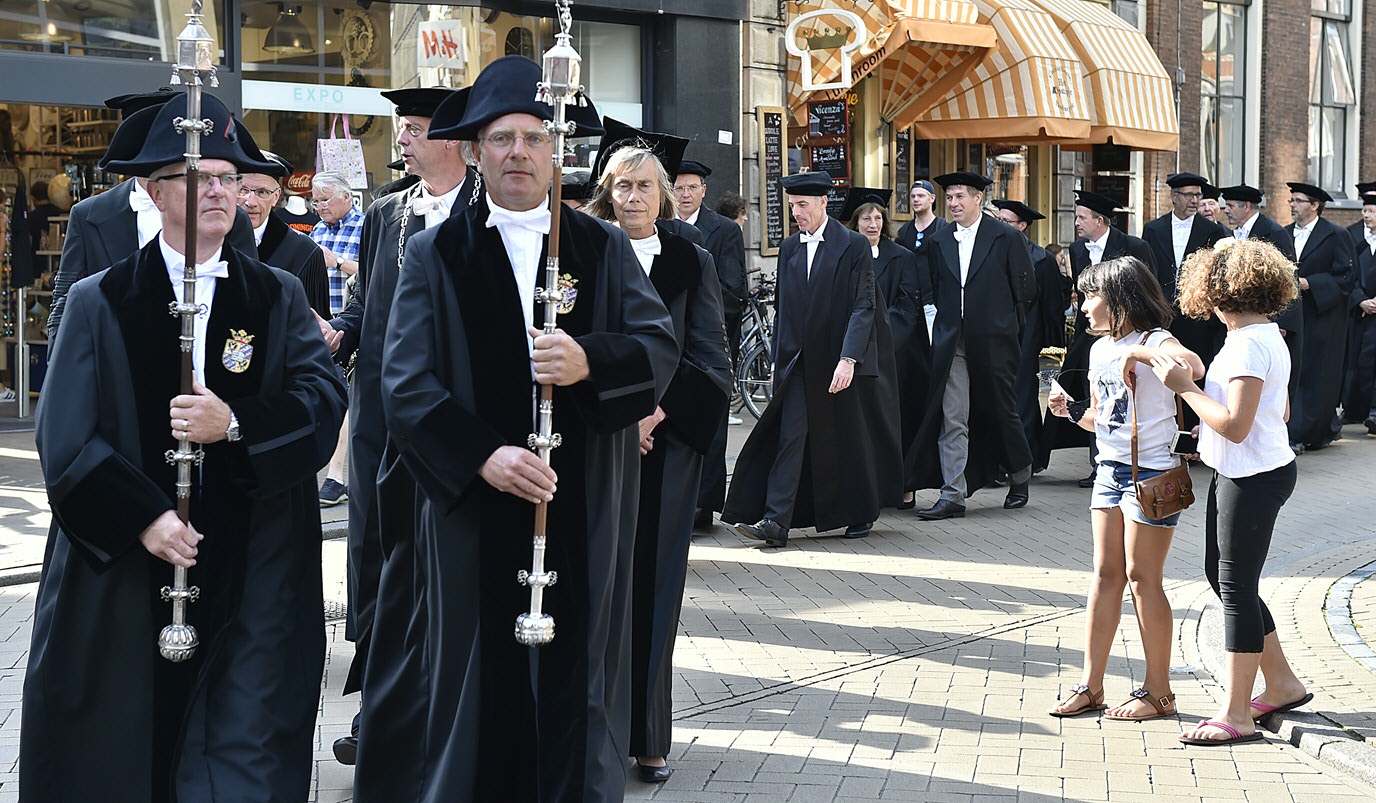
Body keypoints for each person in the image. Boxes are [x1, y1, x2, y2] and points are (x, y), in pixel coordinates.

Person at [363, 55, 677, 803]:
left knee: (579, 679)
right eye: (501, 138)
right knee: (477, 680)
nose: (519, 153)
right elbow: (404, 382)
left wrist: (587, 361)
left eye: (535, 137)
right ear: (474, 149)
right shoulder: (437, 252)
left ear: (557, 149)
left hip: (583, 501)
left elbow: (660, 346)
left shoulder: (598, 247)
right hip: (474, 517)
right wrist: (484, 456)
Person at [21, 91, 346, 803]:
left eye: (231, 178)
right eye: (199, 177)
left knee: (238, 755)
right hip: (121, 582)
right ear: (152, 190)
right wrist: (147, 517)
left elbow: (324, 402)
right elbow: (66, 436)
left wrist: (233, 423)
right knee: (123, 752)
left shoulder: (277, 296)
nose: (221, 191)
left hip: (252, 569)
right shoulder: (100, 300)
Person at [325, 85, 481, 769]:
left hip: (453, 420)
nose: (405, 140)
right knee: (376, 556)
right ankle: (378, 707)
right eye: (402, 127)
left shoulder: (489, 211)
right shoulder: (386, 212)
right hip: (380, 418)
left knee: (440, 560)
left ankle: (444, 710)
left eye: (416, 128)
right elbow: (365, 302)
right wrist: (341, 333)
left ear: (454, 140)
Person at [586, 131, 731, 784]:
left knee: (655, 587)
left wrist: (654, 410)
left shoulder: (689, 254)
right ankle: (593, 732)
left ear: (664, 193)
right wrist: (620, 407)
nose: (634, 195)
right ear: (606, 192)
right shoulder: (585, 249)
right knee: (595, 585)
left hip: (667, 445)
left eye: (645, 184)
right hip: (595, 439)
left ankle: (648, 735)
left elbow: (710, 352)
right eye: (623, 184)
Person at [1153, 238, 1311, 746]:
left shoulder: (1245, 343)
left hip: (1252, 476)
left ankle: (1237, 713)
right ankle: (1282, 683)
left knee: (1236, 588)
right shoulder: (1267, 335)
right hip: (1249, 471)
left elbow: (1236, 426)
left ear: (1217, 292)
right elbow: (1278, 412)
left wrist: (1187, 389)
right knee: (1223, 580)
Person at [1046, 256, 1201, 722]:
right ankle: (1090, 686)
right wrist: (1071, 412)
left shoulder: (1155, 339)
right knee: (1105, 577)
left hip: (1152, 476)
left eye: (1089, 296)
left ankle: (1159, 693)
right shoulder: (1097, 350)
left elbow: (1192, 365)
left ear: (1119, 299)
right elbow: (1107, 419)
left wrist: (1136, 354)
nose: (1082, 307)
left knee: (1142, 580)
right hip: (1109, 472)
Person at [723, 171, 900, 545]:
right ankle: (776, 522)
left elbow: (863, 305)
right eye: (792, 207)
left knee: (848, 436)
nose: (797, 214)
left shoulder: (852, 245)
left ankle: (861, 511)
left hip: (838, 361)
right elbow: (785, 309)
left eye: (802, 206)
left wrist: (849, 358)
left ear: (822, 203)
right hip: (798, 362)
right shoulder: (789, 248)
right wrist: (775, 360)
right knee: (791, 436)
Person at [47, 91, 256, 340]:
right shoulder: (89, 215)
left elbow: (250, 295)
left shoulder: (226, 215)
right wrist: (66, 370)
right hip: (115, 362)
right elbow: (64, 305)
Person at [903, 172, 1035, 519]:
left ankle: (1020, 474)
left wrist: (1008, 328)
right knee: (953, 415)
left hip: (995, 339)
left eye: (961, 196)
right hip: (952, 340)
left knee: (1000, 408)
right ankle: (953, 494)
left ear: (978, 199)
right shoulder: (940, 240)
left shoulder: (1005, 237)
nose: (954, 203)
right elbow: (933, 284)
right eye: (950, 197)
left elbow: (1025, 290)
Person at [1038, 190, 1155, 482]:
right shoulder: (1077, 250)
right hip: (1087, 334)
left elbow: (1148, 290)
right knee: (1082, 390)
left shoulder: (1133, 246)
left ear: (1099, 220)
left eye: (1081, 217)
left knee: (1115, 395)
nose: (1076, 222)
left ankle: (1109, 459)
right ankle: (1085, 459)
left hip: (1125, 334)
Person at [674, 158, 749, 529]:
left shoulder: (723, 230)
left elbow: (736, 289)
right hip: (671, 343)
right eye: (679, 186)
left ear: (704, 191)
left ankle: (704, 507)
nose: (685, 194)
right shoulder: (661, 227)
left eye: (692, 187)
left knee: (712, 422)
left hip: (709, 341)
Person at [846, 188, 930, 509]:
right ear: (855, 223)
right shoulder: (846, 255)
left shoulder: (901, 257)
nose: (873, 223)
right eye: (866, 217)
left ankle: (903, 487)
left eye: (878, 217)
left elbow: (908, 307)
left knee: (896, 422)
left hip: (894, 354)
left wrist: (879, 340)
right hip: (853, 354)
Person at [1283, 181, 1355, 451]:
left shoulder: (1335, 235)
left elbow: (1346, 278)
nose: (1293, 205)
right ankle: (1294, 429)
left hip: (1322, 316)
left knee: (1316, 375)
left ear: (1315, 205)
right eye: (1292, 200)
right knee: (1293, 374)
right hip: (1294, 316)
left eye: (1299, 201)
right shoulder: (1284, 233)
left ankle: (1311, 431)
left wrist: (1311, 283)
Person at [992, 198, 1066, 461]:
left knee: (1023, 395)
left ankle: (1023, 456)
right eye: (997, 220)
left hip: (1029, 336)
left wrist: (1052, 352)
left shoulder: (1042, 259)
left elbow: (1052, 307)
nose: (999, 225)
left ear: (1022, 225)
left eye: (1006, 221)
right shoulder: (992, 252)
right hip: (998, 334)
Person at [1220, 184, 1302, 418]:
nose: (1226, 210)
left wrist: (1281, 321)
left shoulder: (1273, 232)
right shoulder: (1232, 233)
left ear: (1247, 207)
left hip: (1268, 318)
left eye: (1231, 206)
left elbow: (1287, 278)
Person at [1141, 173, 1231, 370]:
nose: (1194, 200)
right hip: (1161, 312)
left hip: (1197, 315)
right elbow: (1146, 270)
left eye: (1197, 195)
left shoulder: (1211, 230)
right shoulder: (1153, 229)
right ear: (1174, 197)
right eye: (1188, 195)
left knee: (1197, 369)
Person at [237, 150, 331, 316]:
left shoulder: (304, 252)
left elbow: (315, 327)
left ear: (276, 197)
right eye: (243, 190)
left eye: (262, 192)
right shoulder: (207, 244)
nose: (250, 202)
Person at [1342, 190, 1376, 432]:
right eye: (1365, 210)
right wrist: (1360, 300)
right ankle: (1355, 409)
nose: (1367, 215)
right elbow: (1347, 276)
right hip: (1361, 312)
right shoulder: (1355, 240)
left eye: (1372, 211)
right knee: (1358, 361)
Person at [309, 171, 364, 317]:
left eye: (325, 200)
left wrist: (336, 261)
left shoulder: (366, 226)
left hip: (354, 321)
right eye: (316, 202)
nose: (320, 207)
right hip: (320, 320)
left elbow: (375, 274)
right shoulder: (318, 230)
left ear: (346, 196)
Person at [895, 178, 946, 333]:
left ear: (932, 198)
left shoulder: (942, 228)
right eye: (913, 196)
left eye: (921, 196)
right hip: (907, 302)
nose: (916, 200)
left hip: (931, 302)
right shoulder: (904, 230)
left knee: (933, 348)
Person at [27, 180, 62, 254]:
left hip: (37, 258)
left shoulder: (31, 217)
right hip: (60, 256)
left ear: (33, 198)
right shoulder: (61, 213)